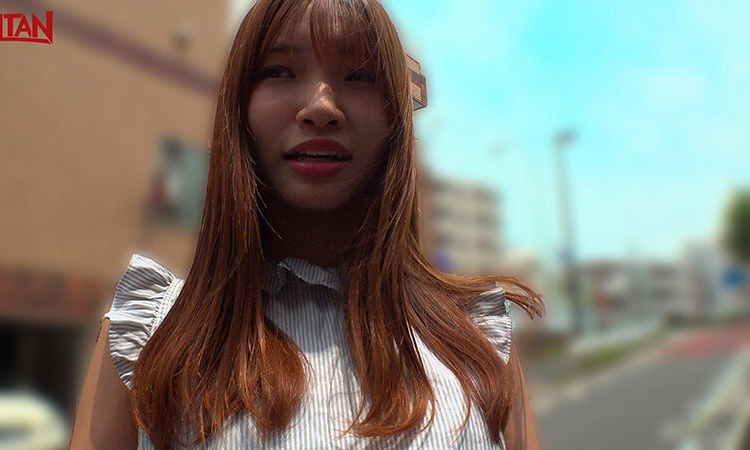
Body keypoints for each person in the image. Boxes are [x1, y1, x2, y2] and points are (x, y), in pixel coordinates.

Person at [70, 0, 545, 448]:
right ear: (238, 107)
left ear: (395, 123)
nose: (321, 107)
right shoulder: (148, 336)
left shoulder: (477, 341)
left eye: (360, 76)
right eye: (279, 71)